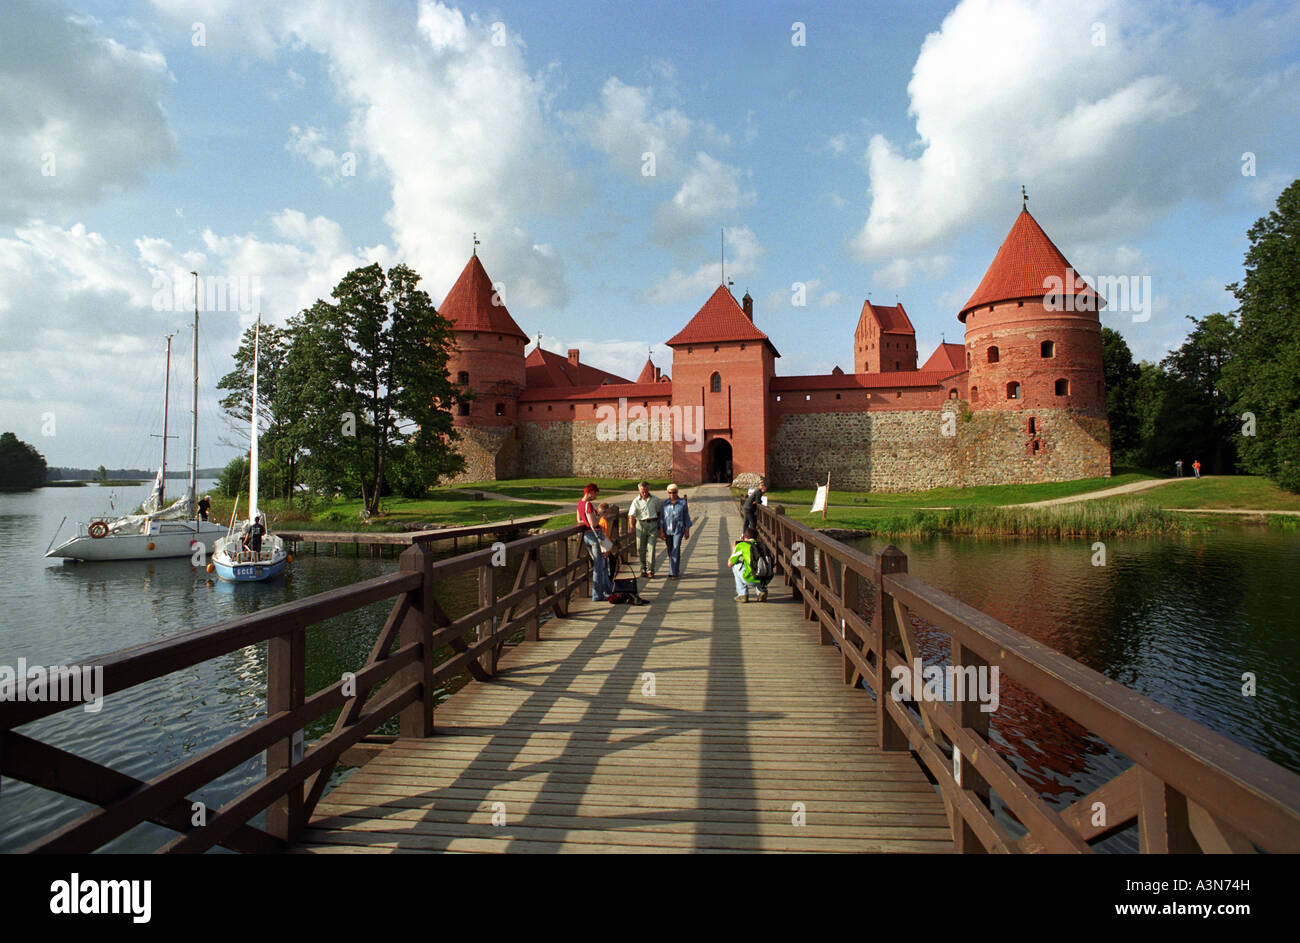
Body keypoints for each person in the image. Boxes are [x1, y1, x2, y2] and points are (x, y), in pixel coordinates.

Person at [577, 483, 613, 602]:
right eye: (595, 493)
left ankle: (608, 590)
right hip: (595, 536)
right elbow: (593, 523)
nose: (596, 496)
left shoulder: (579, 503)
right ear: (590, 492)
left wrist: (587, 520)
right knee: (599, 566)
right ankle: (597, 595)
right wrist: (600, 515)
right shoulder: (588, 504)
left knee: (601, 564)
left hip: (586, 536)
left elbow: (579, 520)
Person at [627, 480, 663, 578]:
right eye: (642, 490)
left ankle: (650, 570)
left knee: (651, 548)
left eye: (646, 490)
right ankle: (643, 568)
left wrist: (660, 528)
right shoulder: (636, 501)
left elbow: (660, 512)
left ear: (649, 489)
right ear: (639, 490)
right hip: (641, 525)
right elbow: (631, 515)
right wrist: (631, 526)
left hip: (653, 524)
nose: (644, 492)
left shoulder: (655, 500)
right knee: (640, 548)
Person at [658, 483, 692, 579]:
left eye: (674, 492)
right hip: (667, 530)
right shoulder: (664, 504)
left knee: (676, 548)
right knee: (670, 550)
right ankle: (674, 569)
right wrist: (661, 531)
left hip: (678, 529)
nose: (672, 494)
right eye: (670, 493)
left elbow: (686, 517)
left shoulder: (682, 503)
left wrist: (687, 530)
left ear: (677, 492)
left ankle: (673, 572)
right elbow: (661, 518)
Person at [728, 527, 769, 602]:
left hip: (750, 578)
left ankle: (742, 594)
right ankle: (762, 591)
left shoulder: (742, 545)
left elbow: (730, 563)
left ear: (744, 536)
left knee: (735, 566)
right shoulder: (762, 545)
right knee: (759, 567)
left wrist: (734, 549)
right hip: (766, 578)